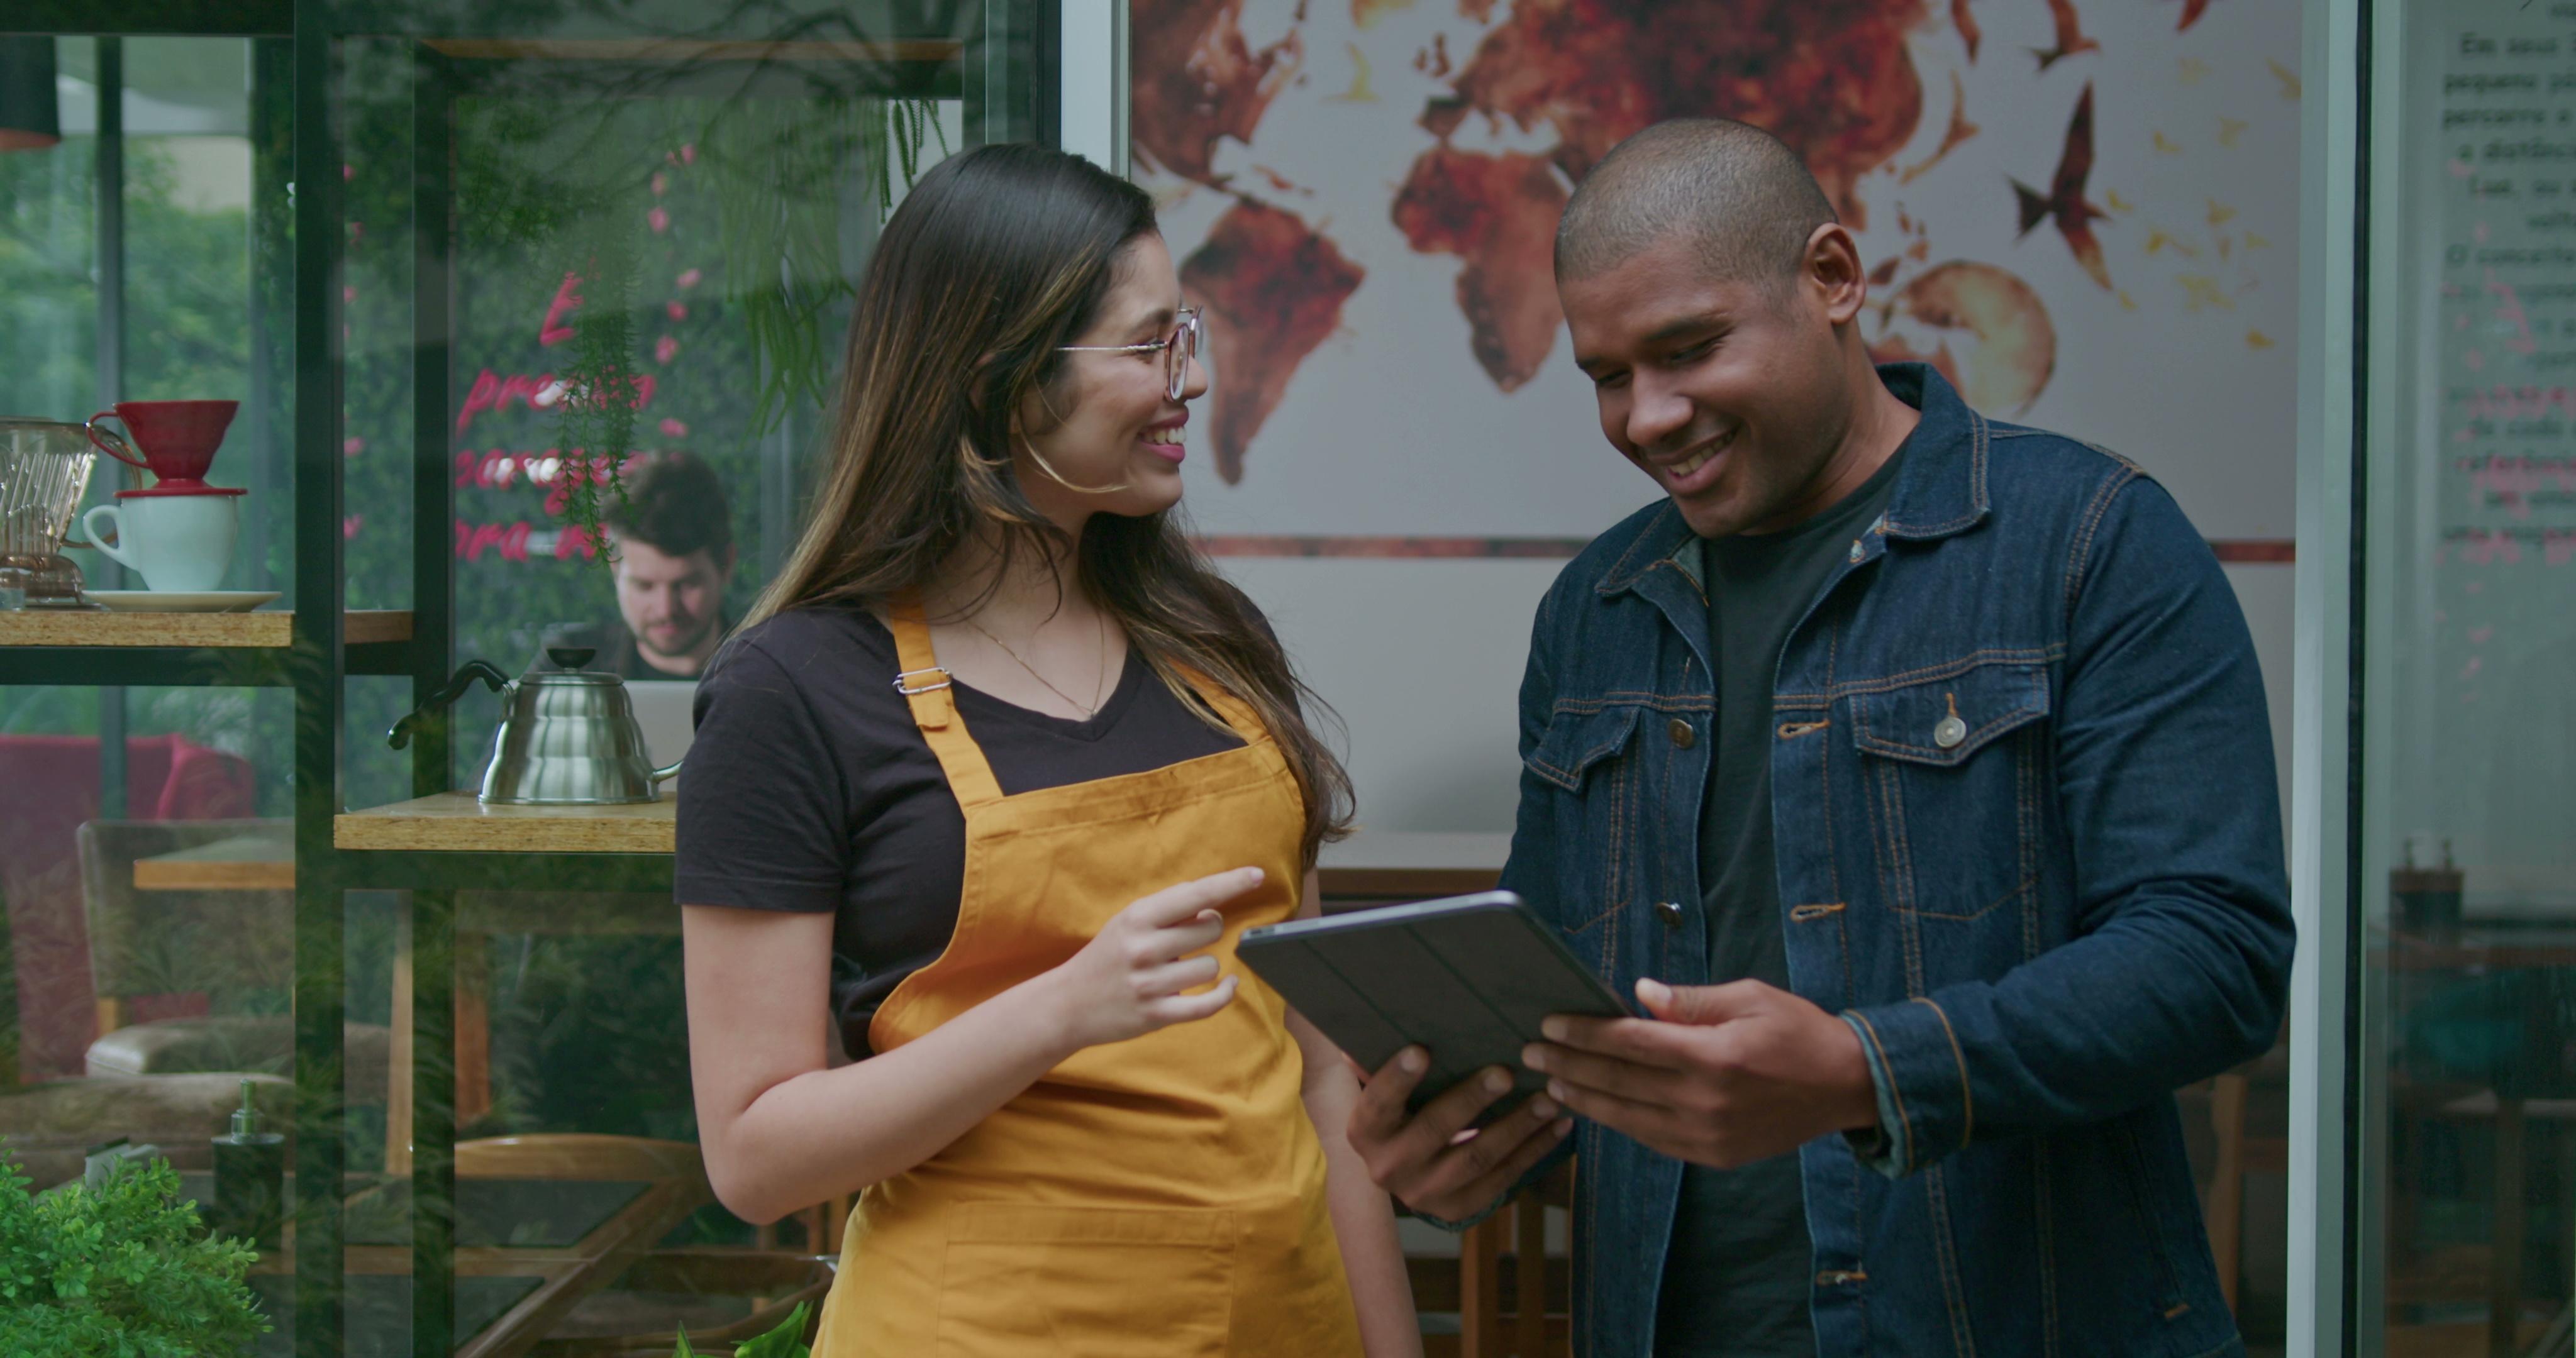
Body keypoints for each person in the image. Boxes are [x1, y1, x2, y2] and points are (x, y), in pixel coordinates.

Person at [1345, 119, 2295, 1357]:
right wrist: (1464, 1143)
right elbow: (1558, 1008)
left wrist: (1864, 1070)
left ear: (1834, 280)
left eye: (1687, 350)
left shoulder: (2086, 542)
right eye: (1606, 375)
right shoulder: (1596, 613)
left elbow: (2213, 960)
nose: (1646, 415)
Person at [675, 144, 1418, 1357]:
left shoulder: (1214, 647)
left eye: (1187, 338)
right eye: (1147, 346)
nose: (1188, 382)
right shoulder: (794, 695)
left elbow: (1323, 1083)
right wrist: (1060, 1010)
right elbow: (755, 1158)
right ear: (998, 376)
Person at [596, 453, 735, 679]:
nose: (666, 610)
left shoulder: (776, 675)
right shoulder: (566, 672)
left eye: (688, 584)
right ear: (615, 570)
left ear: (726, 565)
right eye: (644, 585)